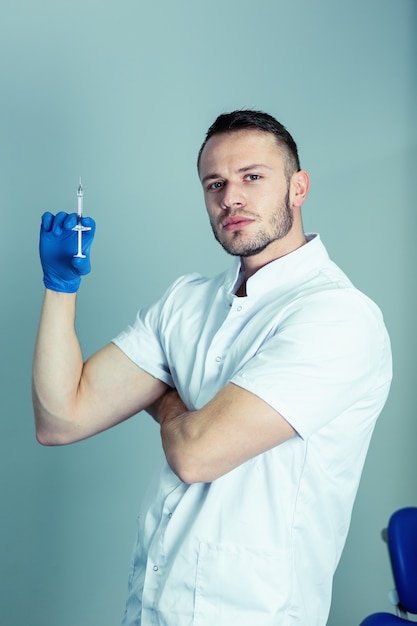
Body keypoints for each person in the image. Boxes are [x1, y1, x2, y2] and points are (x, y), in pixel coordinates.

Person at [32, 110, 392, 626]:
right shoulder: (187, 302)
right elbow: (60, 419)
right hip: (151, 610)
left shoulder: (336, 316)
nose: (232, 198)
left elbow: (197, 455)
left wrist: (162, 393)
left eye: (253, 177)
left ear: (298, 187)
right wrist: (60, 287)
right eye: (215, 184)